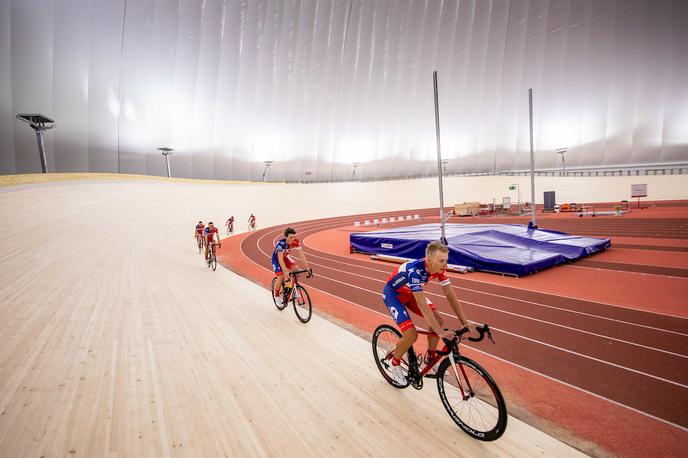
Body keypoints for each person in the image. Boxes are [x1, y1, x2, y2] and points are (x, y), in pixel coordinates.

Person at [382, 240, 472, 384]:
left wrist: (464, 321)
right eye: (442, 261)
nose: (445, 265)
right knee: (411, 335)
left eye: (446, 260)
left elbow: (450, 295)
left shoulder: (440, 270)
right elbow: (422, 305)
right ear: (429, 261)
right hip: (394, 295)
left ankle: (430, 358)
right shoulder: (414, 271)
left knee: (439, 320)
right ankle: (395, 363)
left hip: (410, 292)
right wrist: (440, 333)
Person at [272, 227, 311, 304]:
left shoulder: (296, 242)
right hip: (277, 259)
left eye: (294, 237)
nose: (293, 239)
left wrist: (307, 267)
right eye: (290, 237)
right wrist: (285, 271)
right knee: (281, 276)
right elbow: (280, 260)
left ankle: (292, 288)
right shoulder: (281, 244)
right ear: (286, 237)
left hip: (285, 257)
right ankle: (276, 296)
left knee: (296, 270)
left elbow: (301, 255)